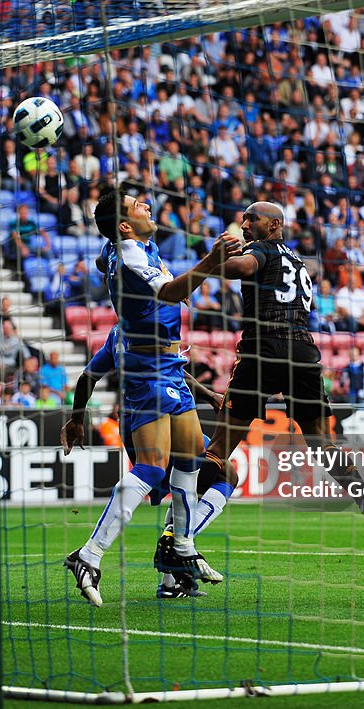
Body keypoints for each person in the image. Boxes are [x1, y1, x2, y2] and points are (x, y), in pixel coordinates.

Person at [62, 188, 237, 607]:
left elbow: (109, 256)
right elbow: (172, 293)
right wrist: (212, 261)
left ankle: (180, 546)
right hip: (147, 373)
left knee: (196, 456)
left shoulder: (136, 246)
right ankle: (89, 554)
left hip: (171, 369)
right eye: (135, 204)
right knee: (153, 468)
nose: (145, 203)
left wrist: (75, 415)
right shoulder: (131, 254)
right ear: (124, 225)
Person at [197, 201, 364, 558]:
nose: (243, 224)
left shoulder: (261, 250)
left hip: (263, 349)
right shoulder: (299, 261)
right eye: (242, 218)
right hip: (303, 351)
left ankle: (177, 532)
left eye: (250, 218)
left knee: (218, 450)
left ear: (273, 225)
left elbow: (243, 266)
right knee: (322, 444)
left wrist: (214, 262)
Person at [62, 325, 233, 599]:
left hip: (165, 408)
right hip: (155, 410)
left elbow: (88, 377)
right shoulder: (154, 321)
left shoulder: (120, 330)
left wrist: (76, 418)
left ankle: (171, 579)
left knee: (221, 472)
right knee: (156, 470)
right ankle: (99, 552)